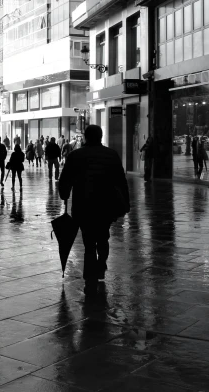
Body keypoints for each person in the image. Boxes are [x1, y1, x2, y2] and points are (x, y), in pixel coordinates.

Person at [59, 125, 129, 292]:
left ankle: (90, 276)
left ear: (85, 137)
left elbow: (65, 179)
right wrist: (125, 203)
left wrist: (64, 193)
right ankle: (101, 263)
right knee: (103, 236)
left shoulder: (76, 155)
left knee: (88, 241)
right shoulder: (111, 155)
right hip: (106, 204)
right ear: (101, 136)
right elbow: (121, 180)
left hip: (83, 205)